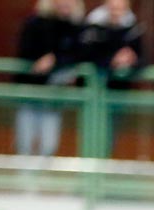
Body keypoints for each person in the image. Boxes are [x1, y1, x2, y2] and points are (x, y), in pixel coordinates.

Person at [13, 0, 83, 158]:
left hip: (54, 95)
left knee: (48, 145)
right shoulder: (35, 23)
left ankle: (42, 178)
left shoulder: (76, 28)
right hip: (30, 90)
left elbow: (79, 55)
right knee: (25, 143)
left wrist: (55, 60)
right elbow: (25, 51)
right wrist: (41, 61)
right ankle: (25, 180)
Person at [79, 0, 144, 156]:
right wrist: (112, 60)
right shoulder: (93, 26)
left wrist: (131, 59)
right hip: (92, 94)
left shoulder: (134, 29)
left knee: (108, 139)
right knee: (90, 135)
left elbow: (142, 59)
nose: (116, 8)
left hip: (116, 95)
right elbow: (85, 55)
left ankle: (101, 172)